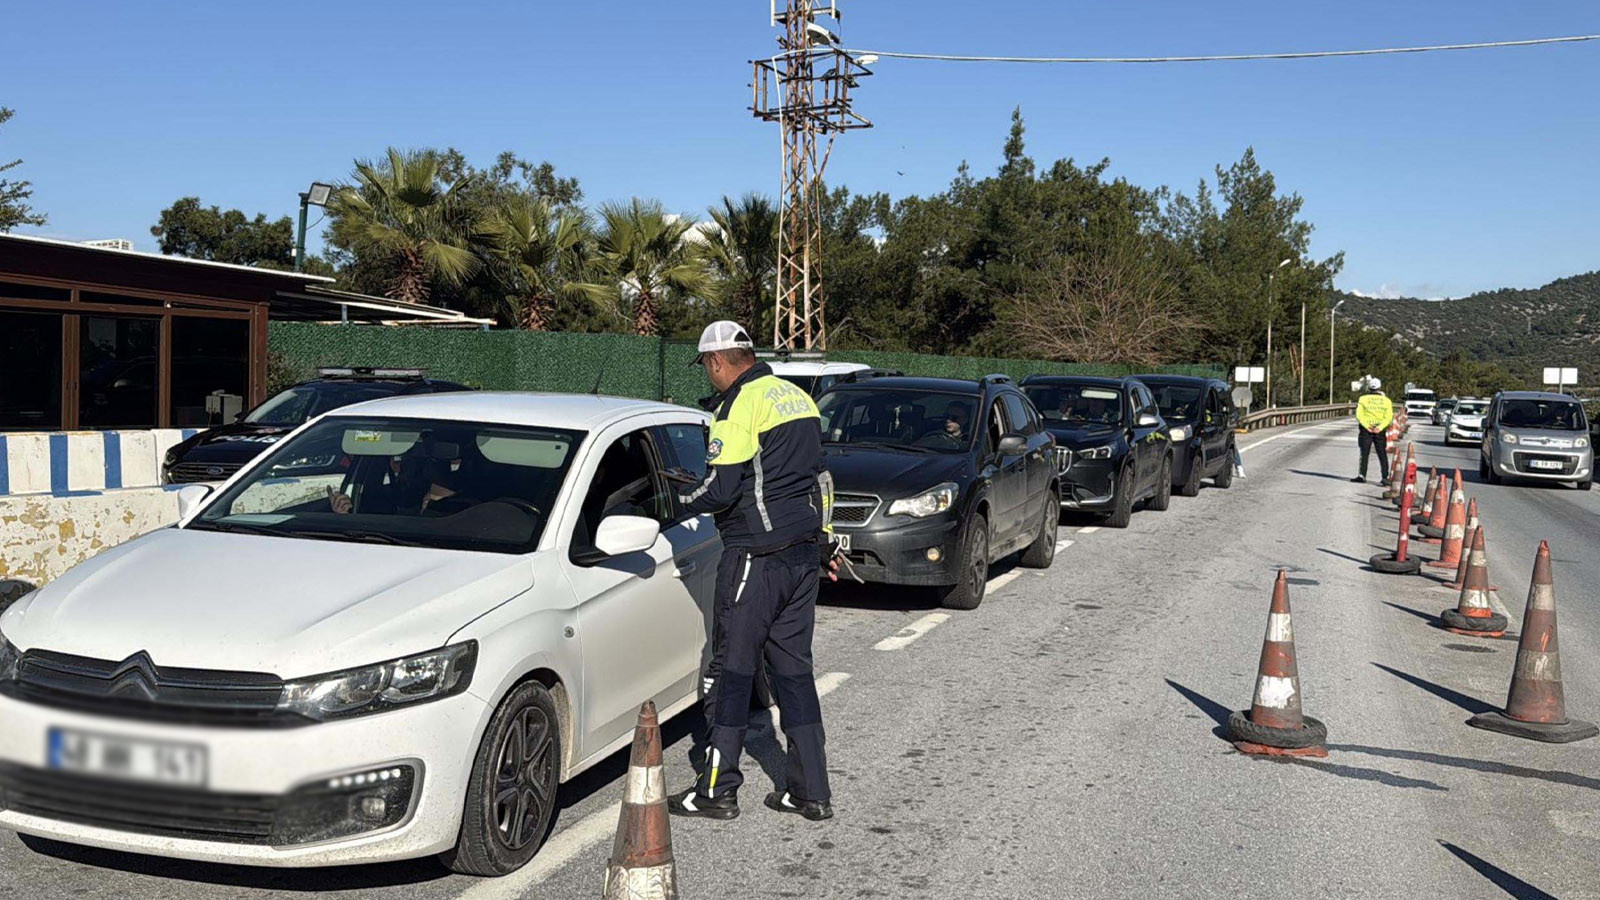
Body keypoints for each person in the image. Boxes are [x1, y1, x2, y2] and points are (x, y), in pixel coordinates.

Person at [668, 320, 836, 822]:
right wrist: (824, 539)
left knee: (731, 673)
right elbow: (821, 479)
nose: (709, 374)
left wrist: (678, 497)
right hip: (803, 555)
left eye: (706, 366)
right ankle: (811, 792)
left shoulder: (737, 405)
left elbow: (720, 490)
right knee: (794, 673)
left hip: (755, 556)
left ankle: (716, 791)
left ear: (717, 361)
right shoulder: (799, 399)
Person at [1353, 376, 1395, 485]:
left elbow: (1359, 415)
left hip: (1366, 430)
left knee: (1364, 453)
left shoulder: (1363, 399)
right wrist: (1379, 428)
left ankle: (1362, 475)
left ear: (1369, 388)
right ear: (1379, 387)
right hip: (1379, 430)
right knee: (1382, 453)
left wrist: (1367, 426)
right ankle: (1385, 477)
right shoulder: (1387, 401)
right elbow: (1388, 417)